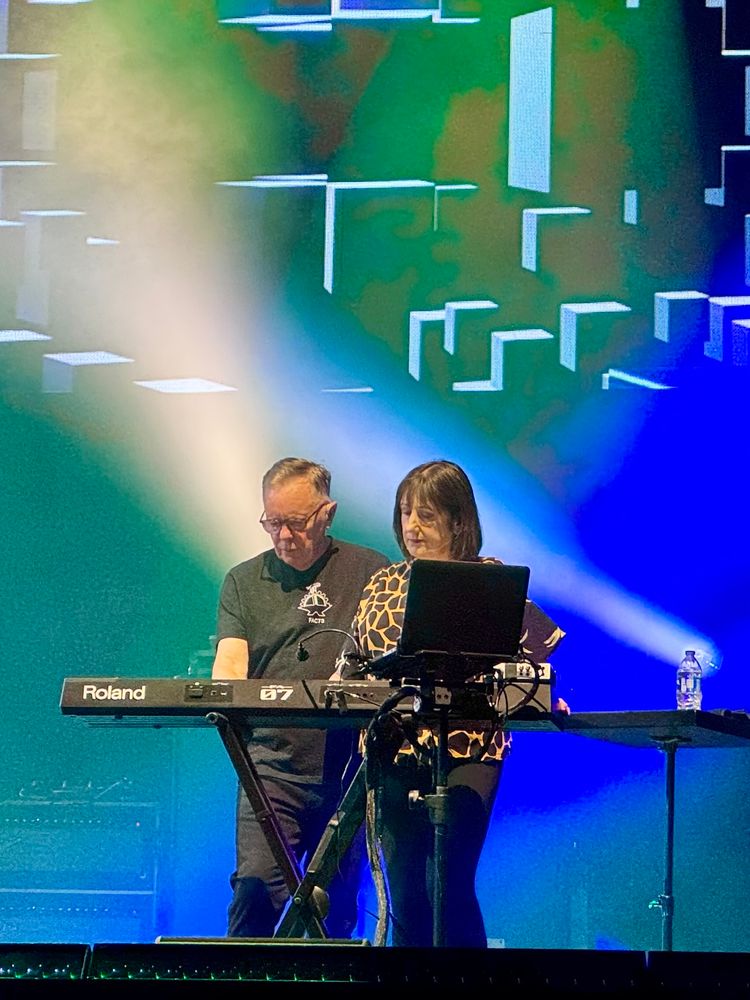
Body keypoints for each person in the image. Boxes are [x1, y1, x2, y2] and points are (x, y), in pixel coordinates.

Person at [339, 459, 566, 948]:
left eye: (426, 515)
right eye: (405, 514)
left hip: (471, 746)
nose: (412, 527)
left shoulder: (488, 579)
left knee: (447, 881)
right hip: (395, 749)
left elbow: (534, 652)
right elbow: (352, 665)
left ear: (459, 521)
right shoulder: (382, 584)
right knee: (404, 891)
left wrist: (541, 694)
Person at [211, 457, 390, 939]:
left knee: (336, 908)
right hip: (270, 773)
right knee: (254, 890)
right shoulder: (243, 582)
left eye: (296, 522)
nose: (283, 536)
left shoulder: (373, 572)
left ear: (327, 513)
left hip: (349, 774)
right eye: (273, 522)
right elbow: (228, 672)